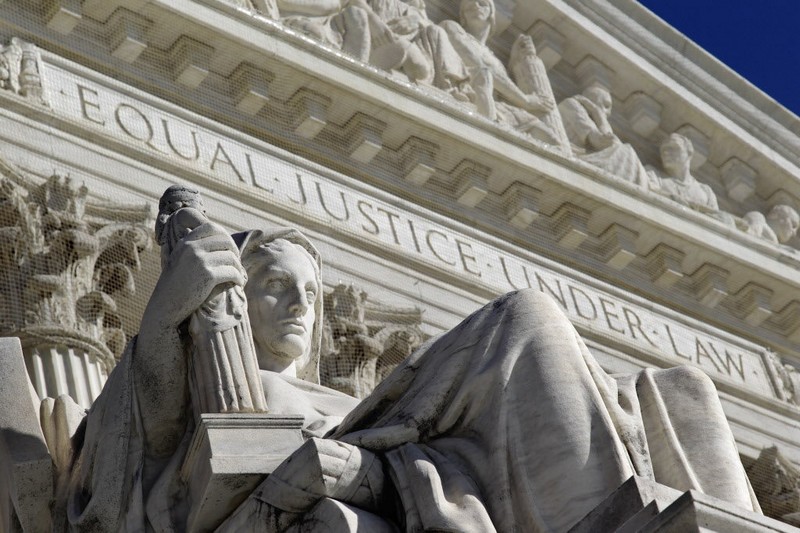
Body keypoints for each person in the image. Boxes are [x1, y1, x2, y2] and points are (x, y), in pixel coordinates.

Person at [59, 190, 761, 531]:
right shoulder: (199, 376)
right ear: (238, 300)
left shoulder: (342, 402)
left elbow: (375, 460)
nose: (300, 304)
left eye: (311, 290)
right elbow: (137, 457)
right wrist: (164, 317)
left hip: (409, 473)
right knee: (527, 317)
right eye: (273, 284)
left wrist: (367, 467)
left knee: (685, 388)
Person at [439, 0, 559, 144]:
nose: (476, 6)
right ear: (463, 16)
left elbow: (502, 84)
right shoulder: (451, 26)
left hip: (501, 107)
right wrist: (525, 100)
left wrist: (515, 62)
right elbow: (477, 63)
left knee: (550, 140)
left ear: (491, 13)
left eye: (481, 3)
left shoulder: (495, 59)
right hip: (471, 92)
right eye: (469, 6)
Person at [559, 86, 650, 188]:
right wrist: (598, 114)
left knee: (626, 153)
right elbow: (601, 141)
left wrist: (598, 115)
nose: (609, 112)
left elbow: (608, 142)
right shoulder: (571, 104)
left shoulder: (593, 118)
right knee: (626, 152)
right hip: (574, 155)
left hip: (585, 156)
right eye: (606, 105)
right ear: (591, 99)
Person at [649, 133, 719, 214]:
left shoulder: (706, 191)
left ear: (689, 153)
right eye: (663, 149)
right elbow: (649, 193)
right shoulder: (654, 175)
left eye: (673, 147)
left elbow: (715, 218)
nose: (666, 152)